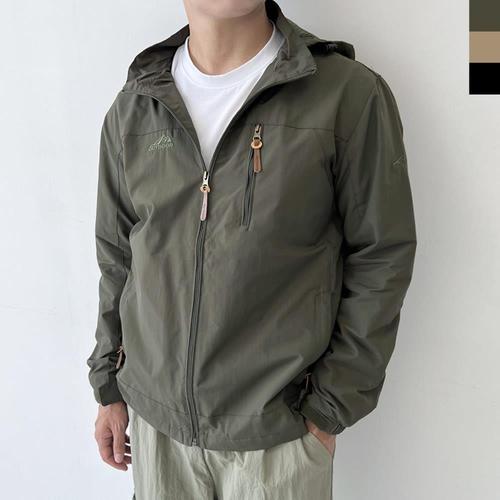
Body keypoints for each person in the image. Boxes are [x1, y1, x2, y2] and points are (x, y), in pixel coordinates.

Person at [86, 0, 417, 498]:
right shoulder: (136, 105)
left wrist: (329, 407)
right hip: (156, 429)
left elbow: (382, 255)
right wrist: (108, 384)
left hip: (279, 436)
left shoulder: (345, 94)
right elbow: (118, 257)